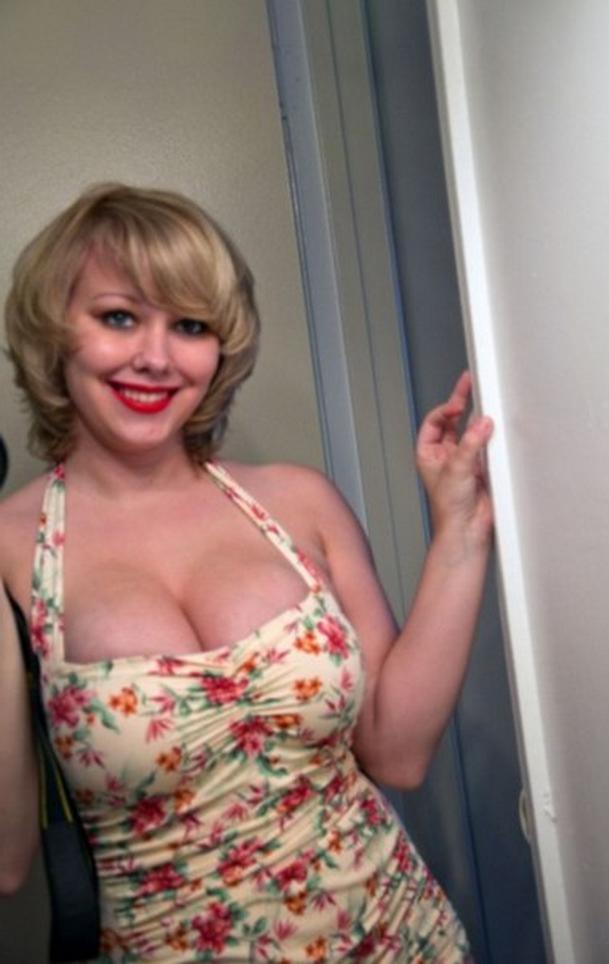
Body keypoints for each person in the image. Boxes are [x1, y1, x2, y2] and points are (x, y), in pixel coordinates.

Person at [0, 183, 493, 962]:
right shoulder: (11, 550)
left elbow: (397, 751)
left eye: (190, 325)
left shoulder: (299, 501)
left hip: (405, 938)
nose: (156, 356)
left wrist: (459, 532)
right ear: (55, 331)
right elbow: (8, 861)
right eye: (119, 317)